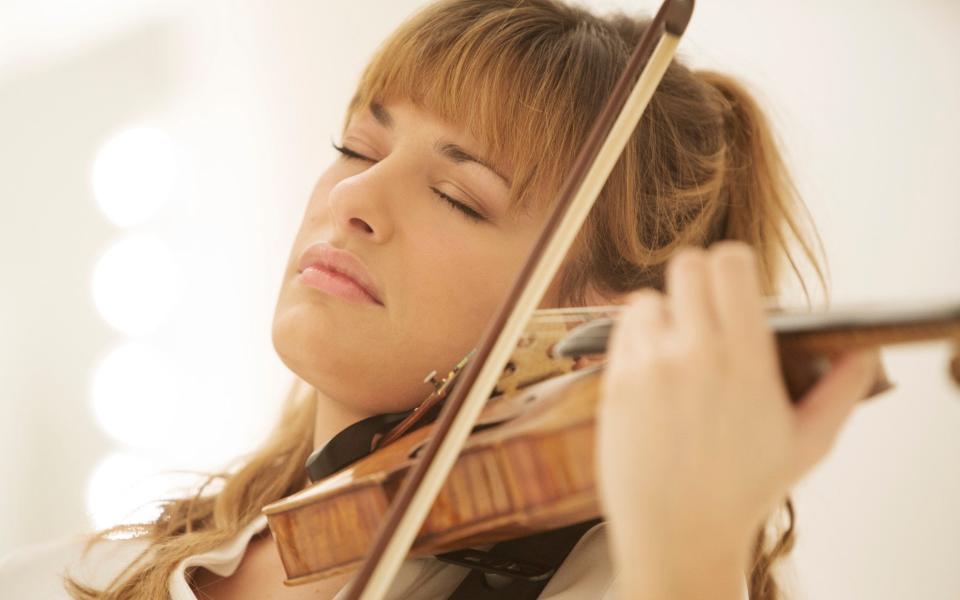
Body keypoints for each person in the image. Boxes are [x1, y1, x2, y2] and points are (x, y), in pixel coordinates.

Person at [0, 1, 880, 599]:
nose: (355, 199)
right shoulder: (95, 570)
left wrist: (691, 552)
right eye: (356, 146)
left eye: (462, 196)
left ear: (601, 318)